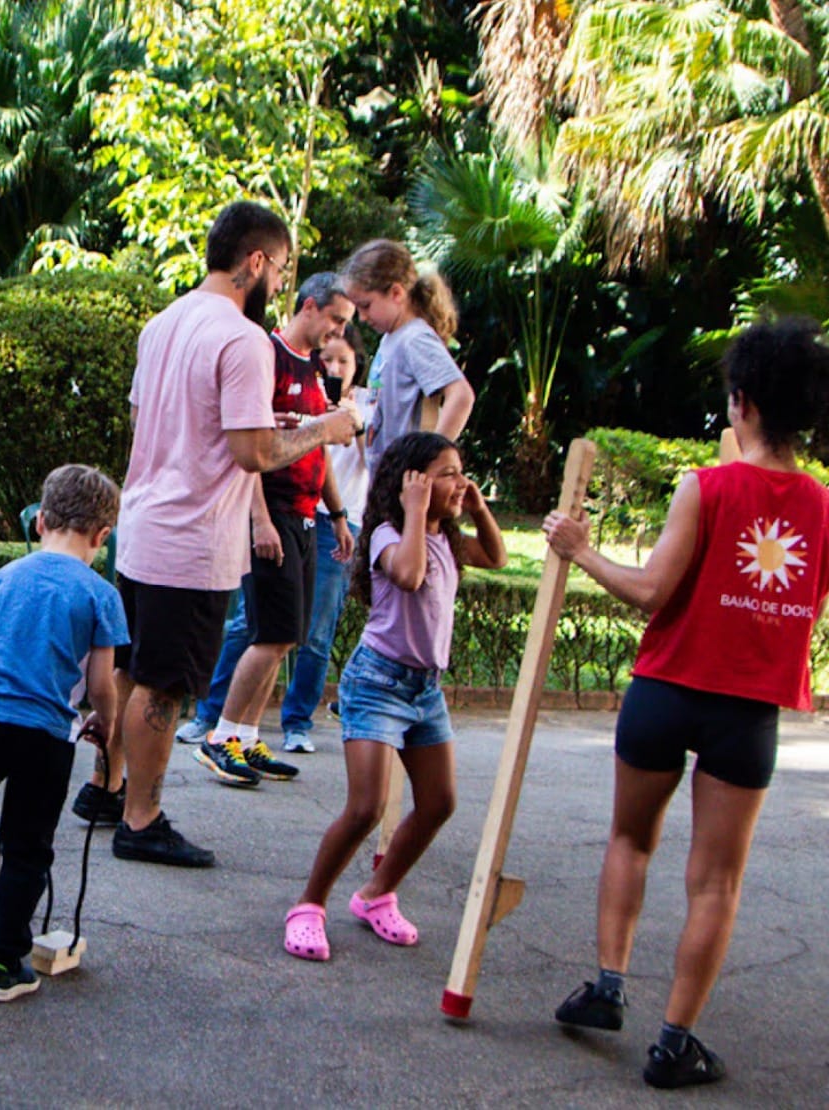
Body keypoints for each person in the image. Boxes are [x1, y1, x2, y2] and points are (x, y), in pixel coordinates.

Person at [543, 321, 829, 1090]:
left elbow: (650, 593)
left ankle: (607, 986)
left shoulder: (705, 485)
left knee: (630, 840)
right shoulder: (823, 508)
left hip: (666, 690)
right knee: (716, 883)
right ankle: (675, 1042)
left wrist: (579, 549)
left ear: (742, 403)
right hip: (748, 713)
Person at [73, 201, 357, 869]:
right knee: (165, 685)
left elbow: (150, 420)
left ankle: (105, 789)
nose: (280, 286)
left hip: (144, 523)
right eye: (281, 271)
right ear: (255, 262)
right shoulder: (243, 339)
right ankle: (141, 819)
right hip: (192, 536)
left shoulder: (163, 323)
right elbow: (254, 451)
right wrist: (327, 429)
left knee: (133, 665)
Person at [283, 432, 505, 962]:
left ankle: (376, 892)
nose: (460, 481)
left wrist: (476, 508)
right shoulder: (386, 534)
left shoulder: (447, 540)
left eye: (461, 470)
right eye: (447, 473)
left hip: (425, 690)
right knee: (365, 808)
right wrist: (414, 512)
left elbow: (495, 556)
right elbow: (407, 575)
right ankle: (308, 906)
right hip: (377, 684)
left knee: (440, 802)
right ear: (413, 483)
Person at [0, 464, 127, 1003]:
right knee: (28, 843)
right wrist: (105, 721)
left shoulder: (4, 578)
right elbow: (100, 683)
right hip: (46, 733)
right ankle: (5, 962)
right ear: (102, 536)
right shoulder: (100, 594)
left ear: (42, 520)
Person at [193, 272, 357, 787]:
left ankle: (245, 735)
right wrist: (259, 519)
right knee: (270, 633)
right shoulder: (267, 355)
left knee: (289, 636)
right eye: (334, 320)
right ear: (309, 307)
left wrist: (338, 514)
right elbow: (252, 448)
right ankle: (220, 736)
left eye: (345, 325)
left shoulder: (313, 370)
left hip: (308, 514)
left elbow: (318, 445)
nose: (337, 333)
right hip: (273, 513)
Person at [282, 324, 373, 752]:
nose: (334, 368)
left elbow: (368, 459)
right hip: (295, 511)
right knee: (252, 621)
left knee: (318, 629)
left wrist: (352, 421)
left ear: (357, 366)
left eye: (344, 362)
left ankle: (297, 721)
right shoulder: (301, 394)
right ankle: (214, 714)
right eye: (328, 360)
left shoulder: (368, 407)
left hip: (341, 522)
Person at [339, 239, 474, 473]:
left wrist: (432, 461)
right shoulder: (391, 338)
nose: (361, 317)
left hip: (407, 485)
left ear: (396, 293)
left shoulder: (415, 338)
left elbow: (461, 396)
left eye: (366, 305)